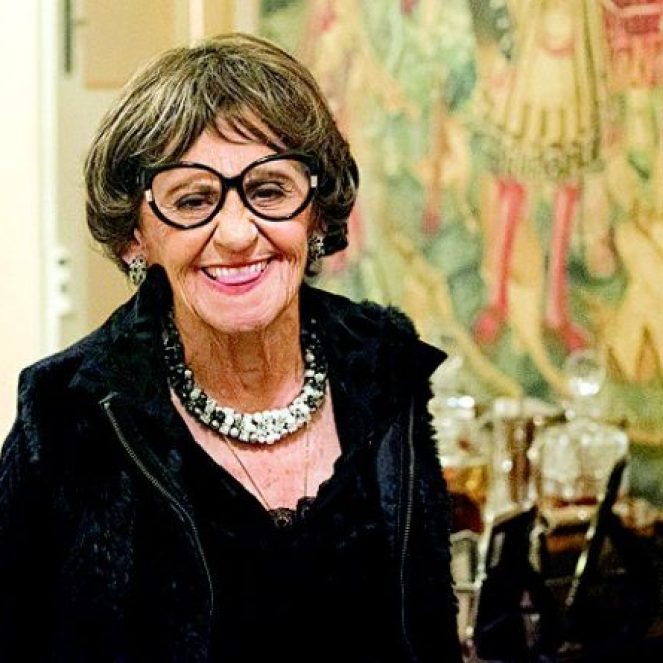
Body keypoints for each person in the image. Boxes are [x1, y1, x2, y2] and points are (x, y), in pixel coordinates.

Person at [0, 33, 461, 662]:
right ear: (137, 236)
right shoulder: (67, 414)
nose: (239, 233)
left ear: (316, 214)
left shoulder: (386, 372)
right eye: (193, 200)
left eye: (268, 191)